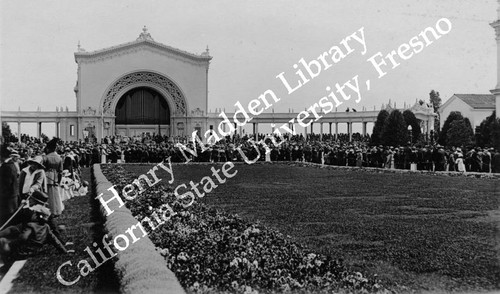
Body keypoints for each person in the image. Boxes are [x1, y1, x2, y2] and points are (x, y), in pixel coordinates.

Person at [0, 191, 71, 259]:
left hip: (25, 248)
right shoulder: (46, 226)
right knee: (13, 229)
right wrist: (64, 250)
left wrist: (11, 244)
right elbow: (55, 239)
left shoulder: (30, 223)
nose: (29, 201)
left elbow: (23, 237)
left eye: (31, 199)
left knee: (3, 240)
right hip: (36, 244)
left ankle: (9, 250)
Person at [43, 138, 65, 216]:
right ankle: (57, 209)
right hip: (55, 175)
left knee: (48, 193)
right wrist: (59, 180)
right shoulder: (59, 158)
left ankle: (50, 210)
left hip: (47, 176)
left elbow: (43, 168)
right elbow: (61, 171)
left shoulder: (46, 157)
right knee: (55, 193)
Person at [0, 149, 21, 225]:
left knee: (7, 215)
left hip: (8, 195)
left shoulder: (7, 166)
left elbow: (6, 183)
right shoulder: (11, 164)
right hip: (12, 194)